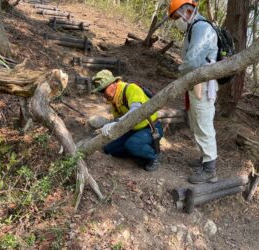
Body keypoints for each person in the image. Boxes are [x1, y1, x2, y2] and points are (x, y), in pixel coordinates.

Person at [168, 0, 219, 183]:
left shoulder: (201, 27)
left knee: (203, 122)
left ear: (187, 11)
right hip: (197, 81)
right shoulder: (194, 28)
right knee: (197, 122)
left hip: (203, 83)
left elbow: (193, 60)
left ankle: (210, 169)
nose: (176, 22)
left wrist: (179, 72)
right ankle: (205, 160)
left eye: (176, 17)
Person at [93, 69, 163, 172]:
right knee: (110, 149)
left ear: (114, 83)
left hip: (150, 128)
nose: (103, 94)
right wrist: (109, 125)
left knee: (132, 144)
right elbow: (119, 118)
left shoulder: (131, 88)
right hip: (133, 129)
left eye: (103, 90)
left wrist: (116, 122)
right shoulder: (114, 100)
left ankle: (154, 155)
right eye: (100, 92)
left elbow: (136, 110)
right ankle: (137, 150)